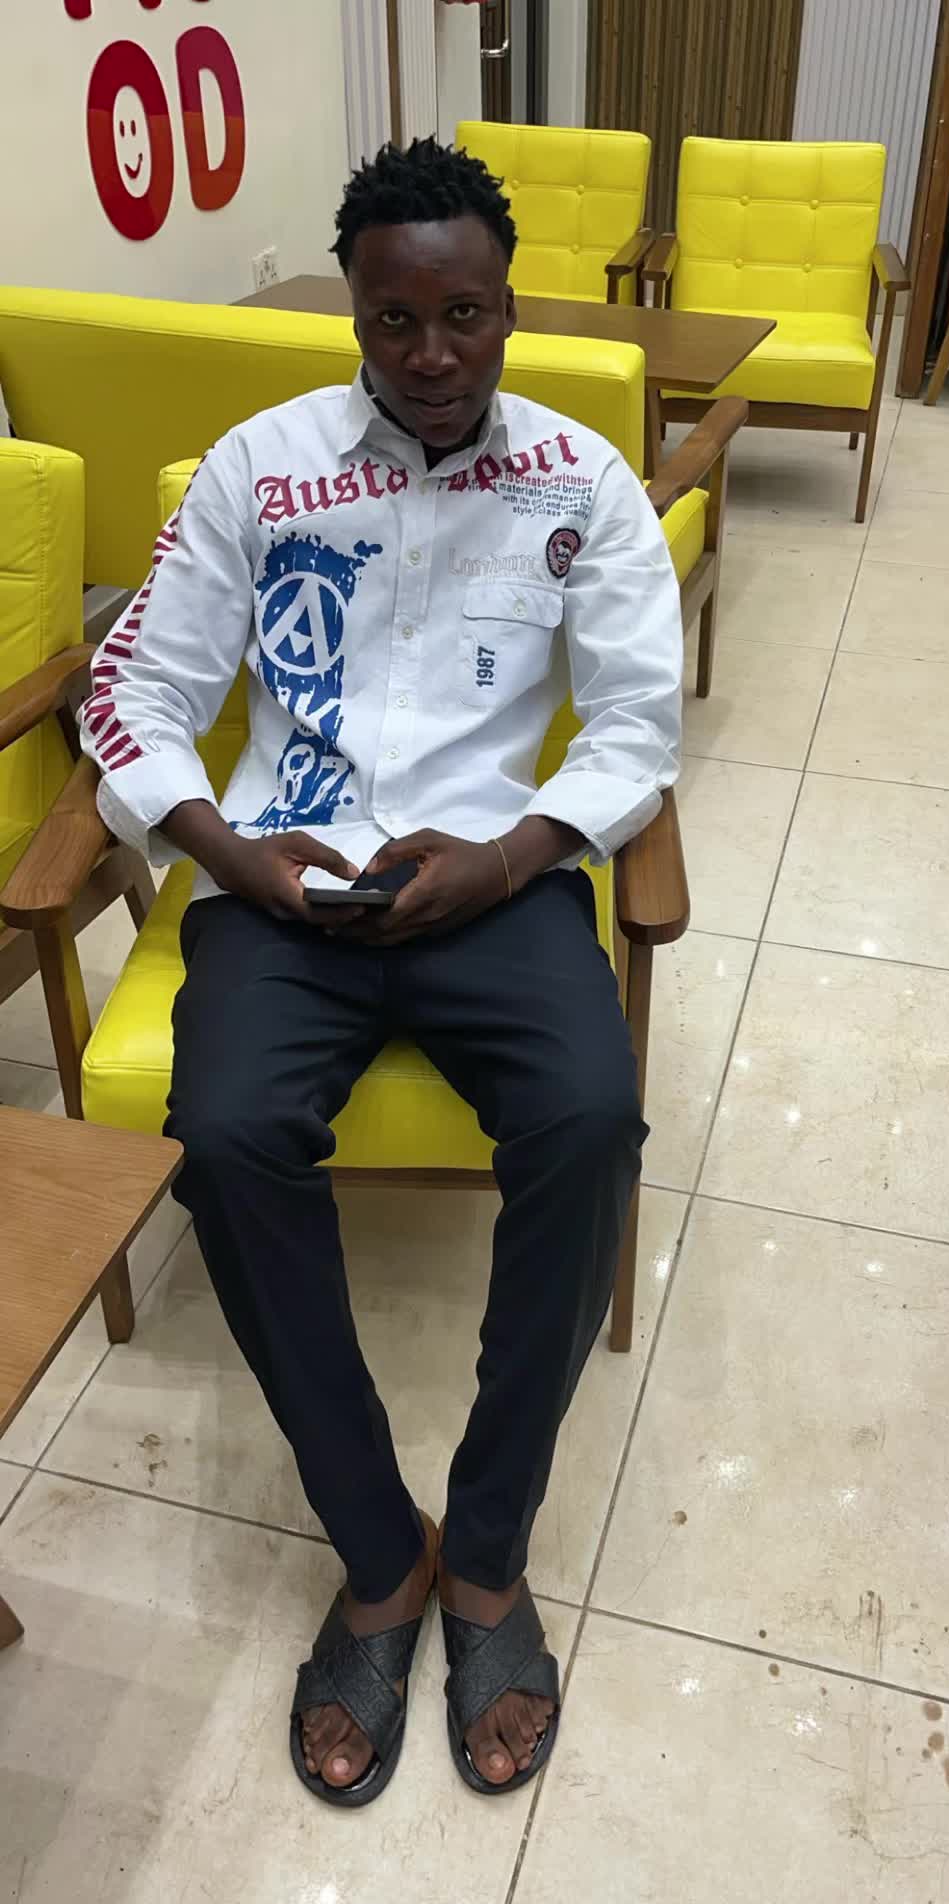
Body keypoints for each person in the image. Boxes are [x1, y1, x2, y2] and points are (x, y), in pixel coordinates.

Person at [81, 136, 682, 1808]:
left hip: (496, 884)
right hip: (289, 887)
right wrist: (227, 853)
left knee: (591, 1125)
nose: (430, 353)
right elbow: (135, 697)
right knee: (226, 1135)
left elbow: (638, 725)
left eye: (464, 315)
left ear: (510, 309)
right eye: (395, 318)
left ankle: (484, 1553)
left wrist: (510, 855)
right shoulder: (257, 470)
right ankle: (377, 1551)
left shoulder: (581, 480)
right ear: (354, 310)